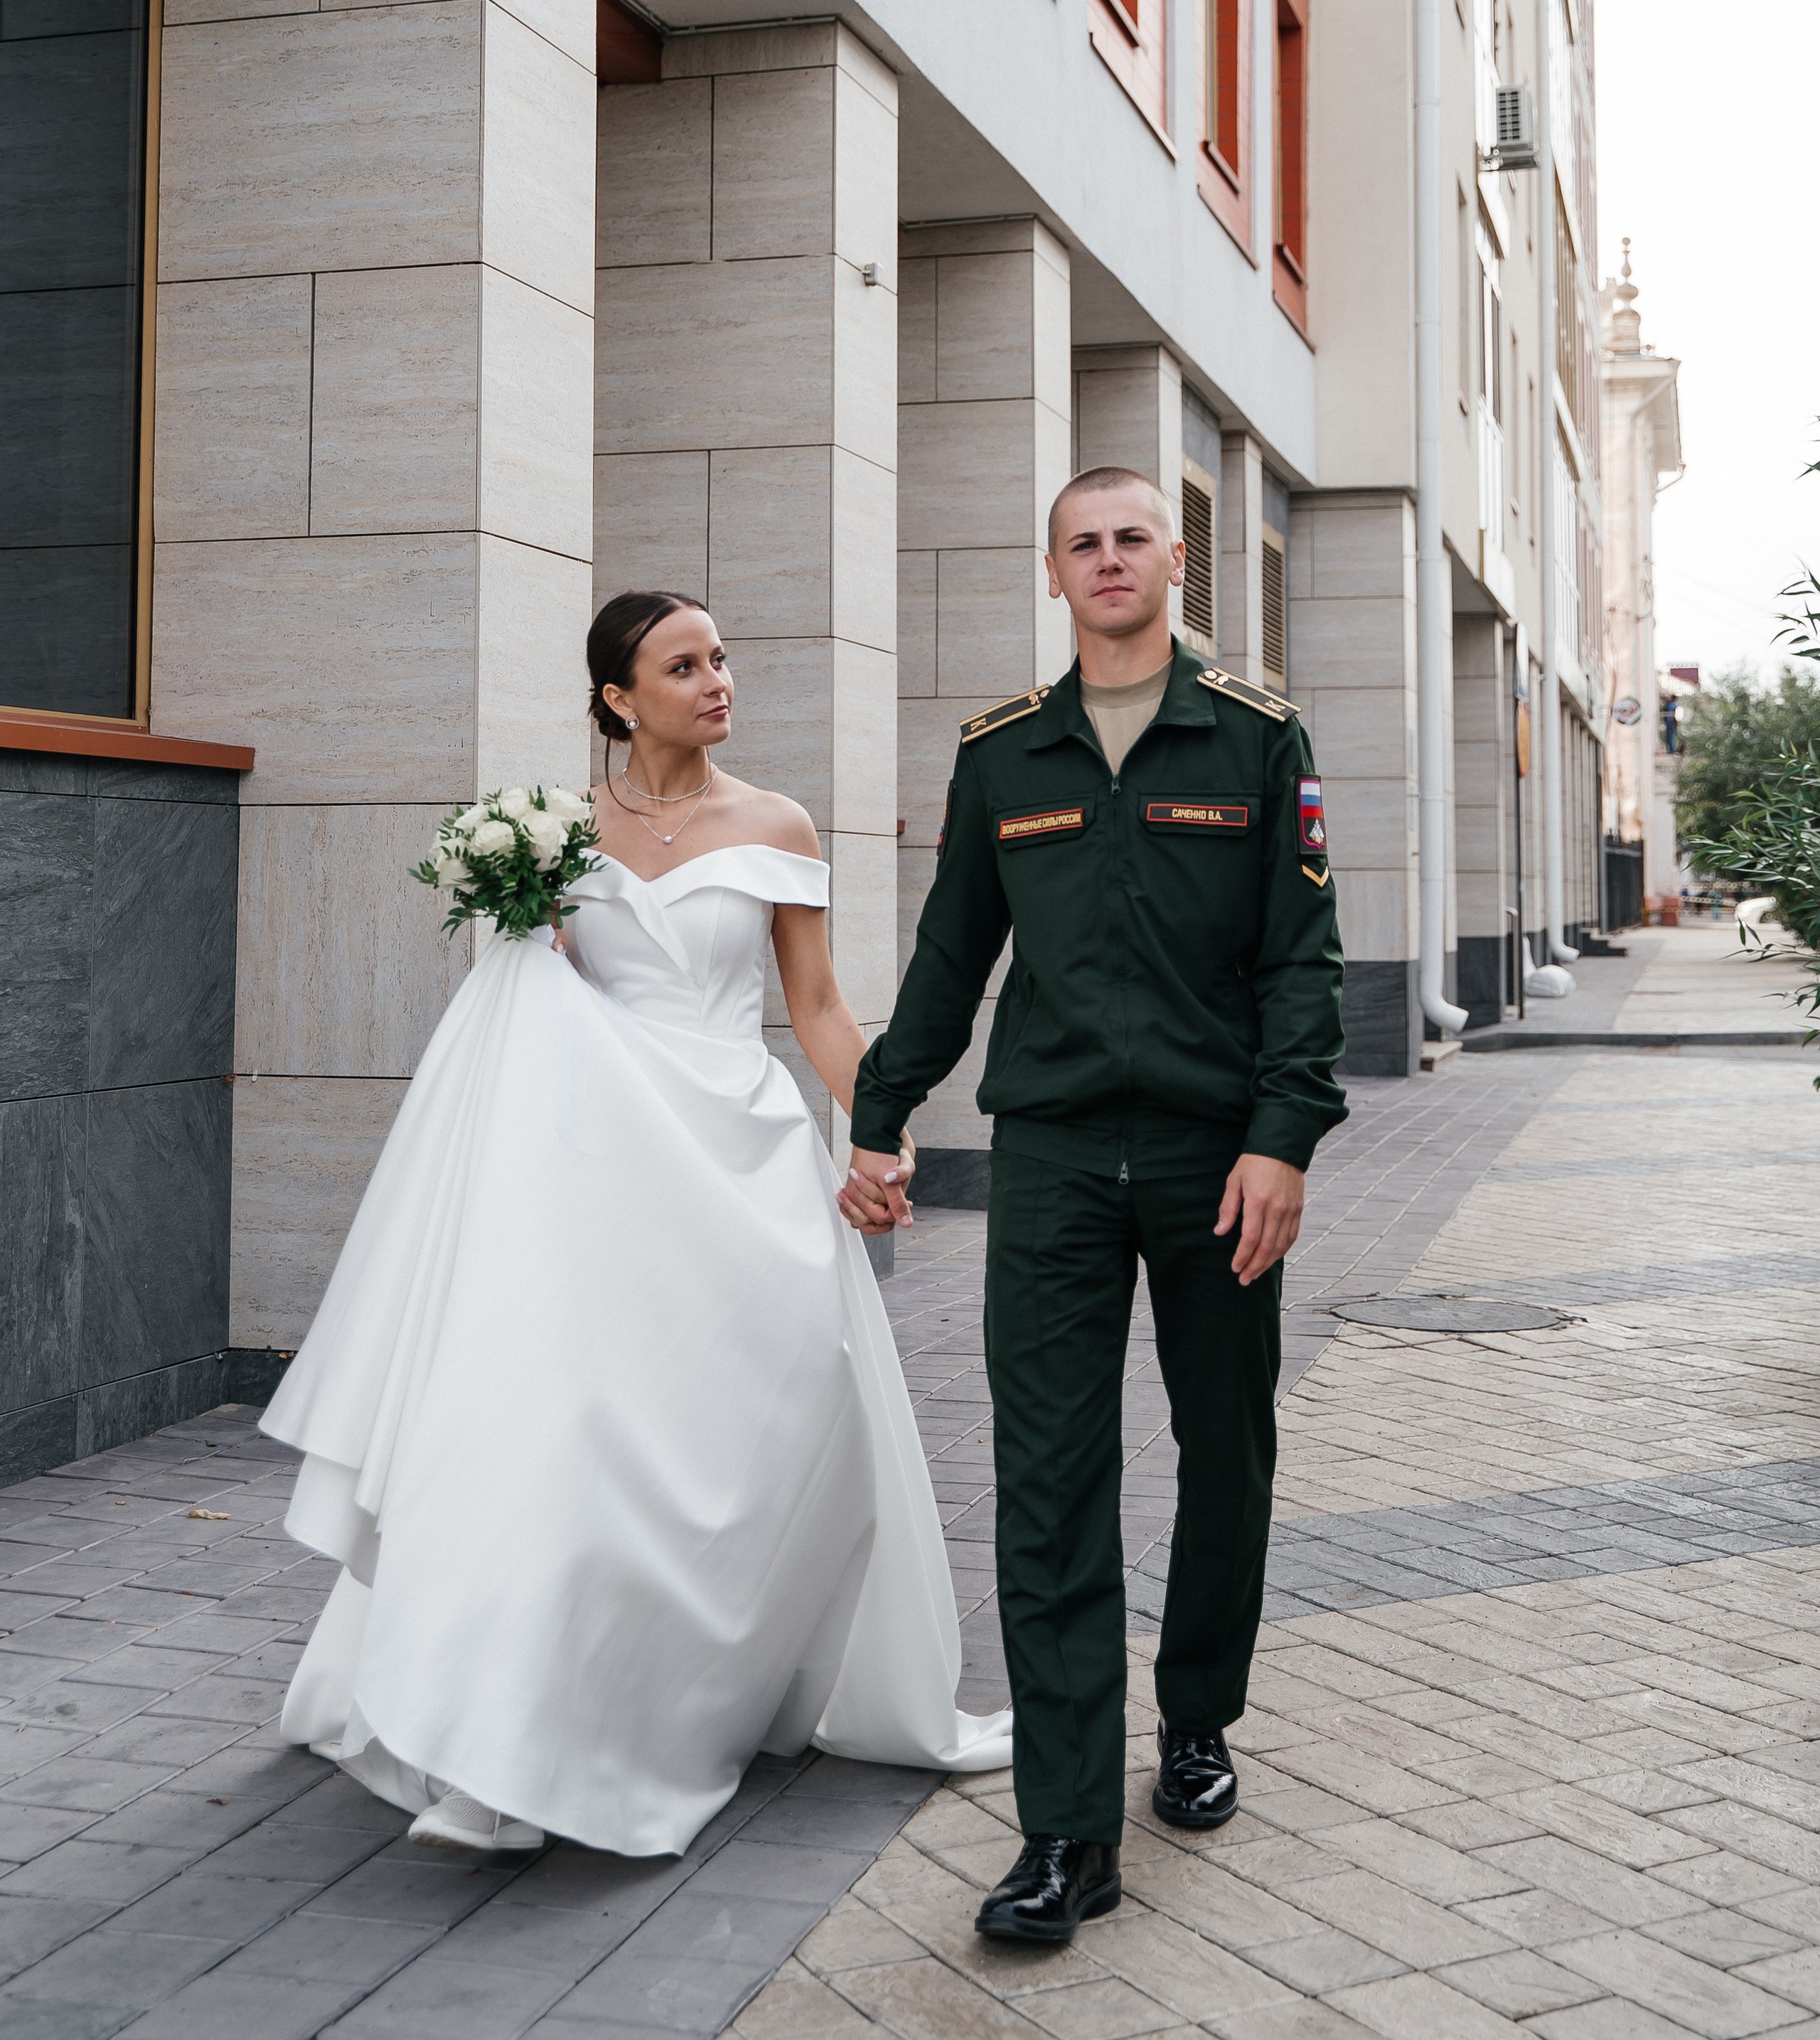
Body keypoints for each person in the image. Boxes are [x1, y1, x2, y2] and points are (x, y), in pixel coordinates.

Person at [261, 591, 1010, 1859]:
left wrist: (877, 1126)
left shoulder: (775, 822)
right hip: (594, 1180)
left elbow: (820, 1006)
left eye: (721, 658)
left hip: (741, 1168)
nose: (718, 680)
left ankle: (695, 1693)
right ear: (619, 695)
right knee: (564, 1441)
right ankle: (504, 1744)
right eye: (684, 664)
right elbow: (527, 1005)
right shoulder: (552, 834)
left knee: (736, 1451)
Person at [841, 467, 1347, 1945]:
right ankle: (1064, 1827)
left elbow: (1299, 958)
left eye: (1133, 537)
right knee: (1048, 1475)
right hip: (1053, 1158)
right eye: (1084, 541)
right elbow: (949, 953)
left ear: (1173, 562)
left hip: (1213, 1159)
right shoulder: (1005, 756)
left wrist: (1283, 1136)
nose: (1110, 558)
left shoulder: (1254, 735)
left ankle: (1195, 1714)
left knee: (1225, 1443)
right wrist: (879, 1110)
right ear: (1052, 570)